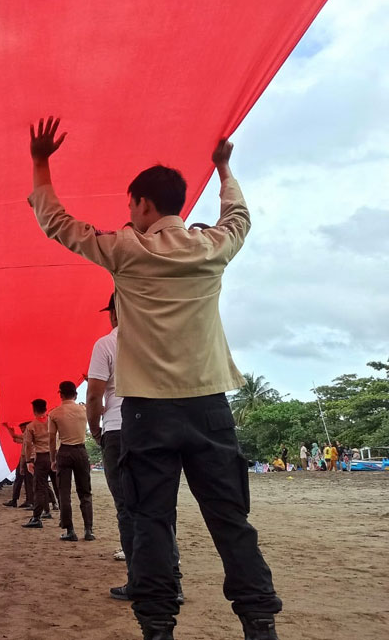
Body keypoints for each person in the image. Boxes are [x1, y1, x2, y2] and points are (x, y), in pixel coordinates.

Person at [28, 116, 280, 639]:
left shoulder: (126, 250)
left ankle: (159, 626)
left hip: (146, 412)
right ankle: (259, 625)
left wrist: (40, 162)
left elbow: (58, 223)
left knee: (150, 524)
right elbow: (238, 215)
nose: (129, 213)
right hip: (210, 407)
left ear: (142, 204)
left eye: (130, 205)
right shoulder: (211, 249)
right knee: (231, 522)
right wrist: (225, 167)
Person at [48, 381, 94, 542]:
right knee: (85, 492)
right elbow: (95, 404)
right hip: (81, 451)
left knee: (64, 492)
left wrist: (53, 459)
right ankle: (88, 530)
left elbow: (52, 439)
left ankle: (70, 530)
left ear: (60, 394)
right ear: (75, 394)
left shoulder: (54, 414)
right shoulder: (83, 409)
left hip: (64, 451)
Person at [21, 399, 56, 529]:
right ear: (46, 408)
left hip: (41, 458)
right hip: (55, 456)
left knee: (40, 488)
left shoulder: (31, 426)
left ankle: (36, 517)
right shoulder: (52, 421)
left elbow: (28, 445)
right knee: (59, 487)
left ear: (34, 410)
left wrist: (28, 461)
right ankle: (64, 518)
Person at [1, 421, 34, 508]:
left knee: (26, 480)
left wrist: (7, 427)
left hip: (27, 459)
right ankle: (28, 500)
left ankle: (27, 500)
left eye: (22, 428)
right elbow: (16, 439)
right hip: (28, 459)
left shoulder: (28, 434)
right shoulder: (31, 434)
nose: (21, 430)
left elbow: (14, 436)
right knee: (27, 480)